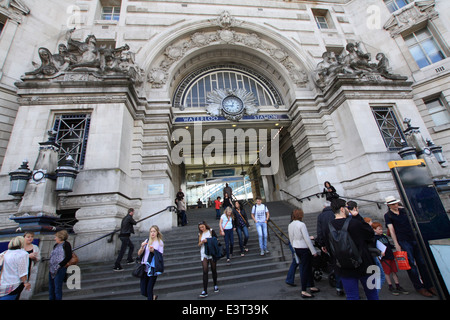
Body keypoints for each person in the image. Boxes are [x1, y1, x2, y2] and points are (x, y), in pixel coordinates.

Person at [326, 198, 379, 300]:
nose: (348, 209)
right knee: (372, 293)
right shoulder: (354, 223)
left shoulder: (328, 227)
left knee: (351, 296)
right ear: (342, 209)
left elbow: (329, 247)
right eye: (346, 207)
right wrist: (358, 217)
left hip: (343, 267)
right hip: (364, 265)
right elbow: (370, 234)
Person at [384, 196, 435, 297]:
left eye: (396, 203)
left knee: (422, 262)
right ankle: (419, 287)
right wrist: (396, 244)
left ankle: (429, 285)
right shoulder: (388, 215)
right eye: (393, 204)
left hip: (413, 237)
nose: (396, 205)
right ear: (389, 205)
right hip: (403, 240)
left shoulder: (404, 211)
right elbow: (392, 230)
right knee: (411, 264)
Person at [288, 209, 320, 298]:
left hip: (296, 247)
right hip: (304, 248)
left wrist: (294, 248)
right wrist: (314, 251)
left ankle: (311, 286)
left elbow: (290, 238)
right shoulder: (301, 224)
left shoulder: (290, 225)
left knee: (307, 267)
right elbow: (306, 239)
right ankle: (304, 290)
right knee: (306, 269)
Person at [372, 222, 409, 296]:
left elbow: (388, 244)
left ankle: (397, 285)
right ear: (374, 230)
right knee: (387, 272)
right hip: (384, 258)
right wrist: (379, 252)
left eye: (381, 229)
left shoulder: (384, 236)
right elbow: (374, 248)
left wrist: (394, 246)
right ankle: (390, 286)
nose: (381, 231)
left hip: (390, 255)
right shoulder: (375, 238)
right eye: (379, 229)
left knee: (394, 271)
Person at [315, 202, 344, 296]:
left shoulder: (320, 216)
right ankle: (347, 285)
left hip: (329, 244)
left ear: (324, 207)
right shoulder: (335, 213)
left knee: (336, 264)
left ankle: (339, 287)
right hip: (341, 243)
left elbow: (319, 231)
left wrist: (322, 244)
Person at [138, 225, 164, 300]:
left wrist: (153, 251)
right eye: (151, 231)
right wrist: (142, 247)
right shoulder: (147, 241)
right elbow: (139, 254)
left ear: (157, 232)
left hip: (153, 268)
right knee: (143, 291)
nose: (152, 233)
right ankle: (153, 297)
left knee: (149, 289)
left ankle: (151, 297)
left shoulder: (159, 242)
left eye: (154, 231)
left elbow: (160, 255)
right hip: (144, 268)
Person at [48, 230, 72, 300]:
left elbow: (68, 256)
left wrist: (60, 265)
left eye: (56, 237)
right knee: (51, 288)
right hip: (52, 268)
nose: (55, 238)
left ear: (60, 237)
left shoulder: (66, 244)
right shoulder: (55, 245)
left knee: (57, 288)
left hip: (60, 268)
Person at [198, 221, 219, 297]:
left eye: (202, 227)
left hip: (212, 252)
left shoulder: (211, 231)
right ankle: (205, 290)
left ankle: (215, 284)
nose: (201, 228)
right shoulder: (200, 234)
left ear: (205, 226)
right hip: (204, 253)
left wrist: (208, 240)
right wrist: (202, 242)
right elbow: (199, 243)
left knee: (213, 269)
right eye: (200, 227)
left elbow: (216, 239)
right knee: (205, 270)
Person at [18, 231, 41, 300]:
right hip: (20, 269)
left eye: (32, 237)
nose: (30, 238)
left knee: (25, 288)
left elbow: (39, 258)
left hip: (29, 268)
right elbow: (17, 258)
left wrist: (35, 258)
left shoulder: (35, 247)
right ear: (24, 238)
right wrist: (28, 256)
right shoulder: (20, 247)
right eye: (28, 237)